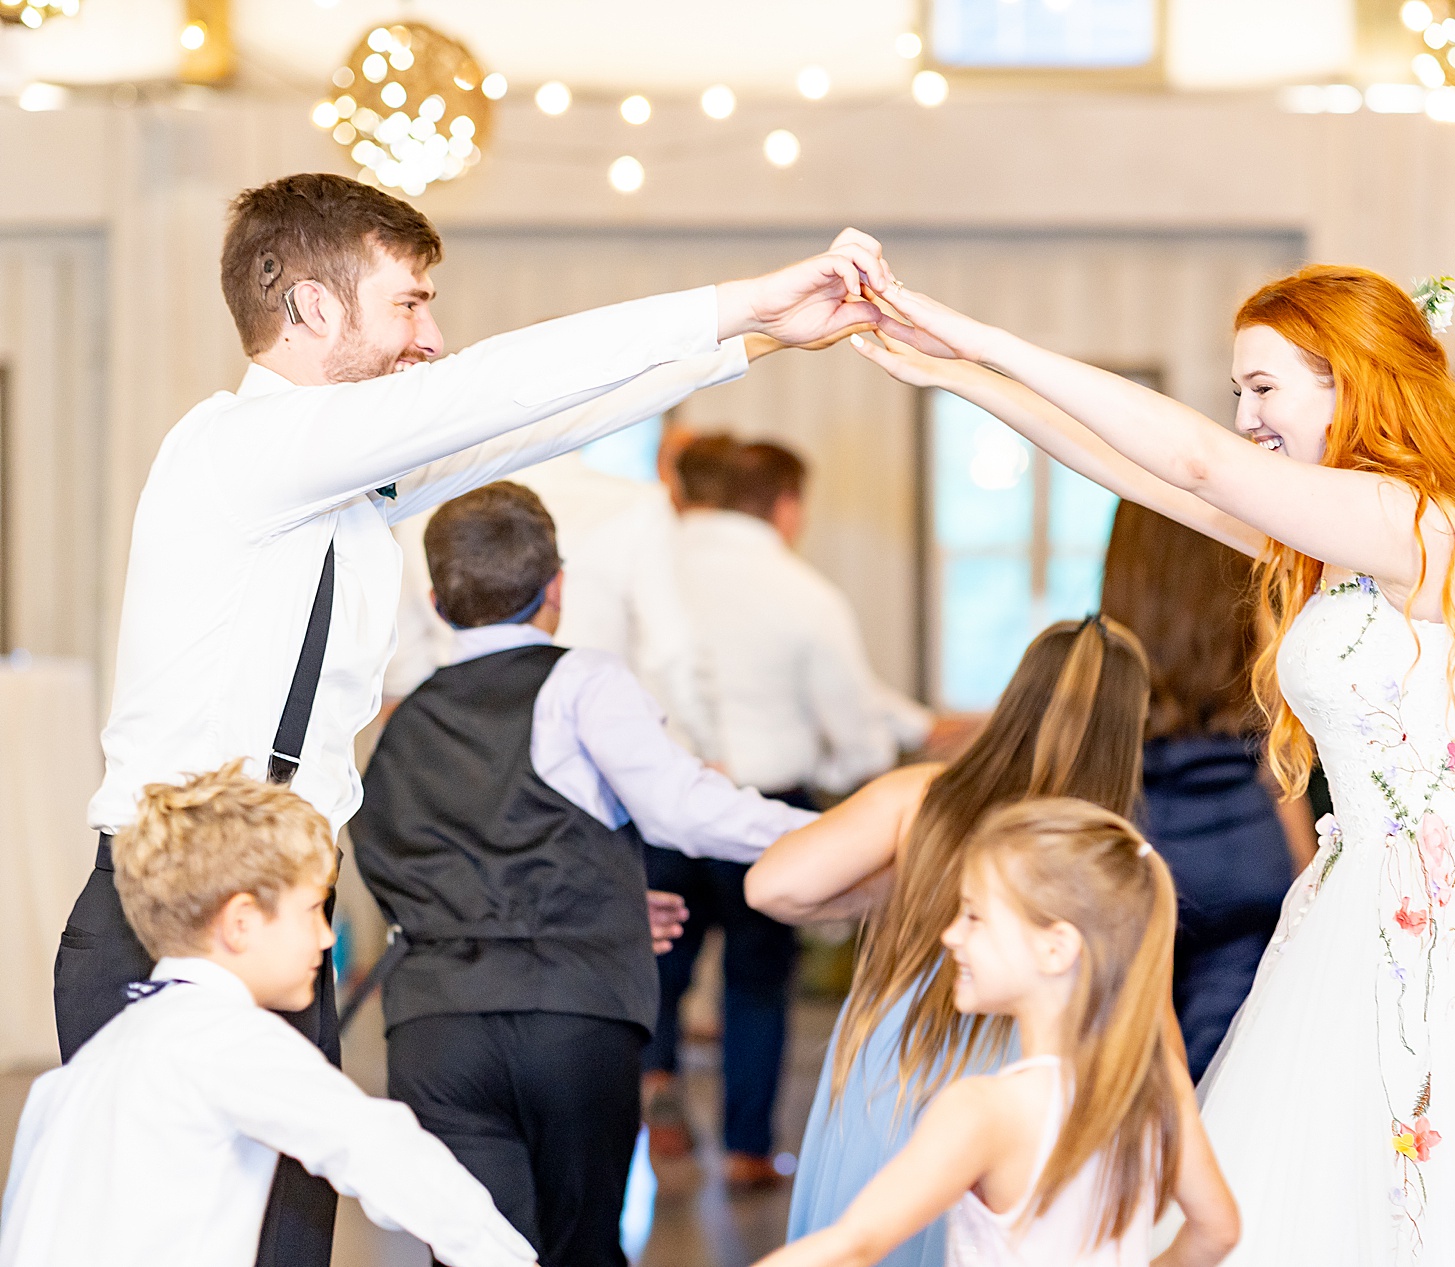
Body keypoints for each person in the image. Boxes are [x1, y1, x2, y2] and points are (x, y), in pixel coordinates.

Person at [854, 267, 1455, 1262]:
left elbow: (1197, 462)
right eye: (1236, 392)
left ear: (1350, 378)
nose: (1244, 415)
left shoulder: (1416, 520)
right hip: (1362, 899)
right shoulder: (1343, 541)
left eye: (1263, 388)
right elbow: (1141, 474)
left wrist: (973, 330)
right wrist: (954, 377)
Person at [54, 167, 888, 1264]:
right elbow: (496, 386)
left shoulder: (340, 479)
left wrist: (758, 344)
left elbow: (533, 423)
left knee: (286, 1244)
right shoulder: (245, 450)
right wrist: (741, 297)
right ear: (308, 306)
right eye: (408, 302)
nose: (432, 337)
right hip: (167, 912)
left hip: (270, 910)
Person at [346, 482, 816, 1265]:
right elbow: (683, 809)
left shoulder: (402, 719)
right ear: (557, 586)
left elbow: (424, 859)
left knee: (473, 1253)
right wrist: (831, 832)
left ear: (433, 600)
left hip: (433, 1029)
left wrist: (610, 899)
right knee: (581, 1251)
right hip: (569, 1014)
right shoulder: (583, 682)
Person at [0, 764, 538, 1267]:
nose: (327, 936)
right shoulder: (224, 1039)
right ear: (240, 922)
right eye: (310, 910)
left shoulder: (88, 1068)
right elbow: (378, 1147)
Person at [749, 616, 1150, 1266]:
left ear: (1017, 696)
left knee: (864, 1235)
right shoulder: (1107, 850)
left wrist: (896, 882)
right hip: (1027, 1066)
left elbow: (772, 885)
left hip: (902, 1057)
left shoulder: (924, 798)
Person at [752, 798, 1238, 1267]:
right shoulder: (1155, 1084)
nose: (951, 935)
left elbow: (853, 1245)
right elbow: (1217, 1233)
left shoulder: (984, 1109)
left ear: (1055, 948)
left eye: (974, 916)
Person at [649, 436, 928, 1186]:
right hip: (765, 811)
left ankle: (654, 1082)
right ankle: (745, 1149)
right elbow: (857, 734)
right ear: (785, 505)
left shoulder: (654, 568)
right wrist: (834, 770)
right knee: (758, 980)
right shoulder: (804, 593)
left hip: (658, 799)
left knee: (657, 963)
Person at [1098, 499, 1308, 1081]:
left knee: (1137, 1081)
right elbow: (1282, 772)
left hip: (1139, 839)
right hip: (1246, 844)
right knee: (1232, 1078)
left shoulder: (1109, 657)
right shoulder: (1256, 641)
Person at [385, 417, 710, 751]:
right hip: (596, 745)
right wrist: (700, 750)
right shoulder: (638, 505)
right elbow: (669, 655)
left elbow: (403, 662)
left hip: (464, 746)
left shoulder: (423, 504)